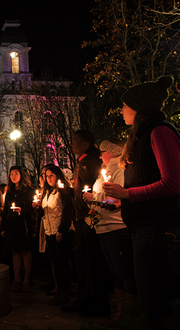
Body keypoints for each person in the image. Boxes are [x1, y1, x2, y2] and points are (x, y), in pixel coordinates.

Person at [103, 76, 180, 326]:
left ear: (138, 108)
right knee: (149, 301)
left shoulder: (160, 132)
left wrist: (128, 194)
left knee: (155, 303)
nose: (122, 110)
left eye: (125, 105)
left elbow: (172, 182)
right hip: (143, 229)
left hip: (156, 231)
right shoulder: (144, 135)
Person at [82, 139, 136, 327]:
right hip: (103, 226)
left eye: (102, 150)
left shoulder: (119, 169)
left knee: (124, 272)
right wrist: (91, 199)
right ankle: (121, 312)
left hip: (116, 227)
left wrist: (95, 198)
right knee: (115, 272)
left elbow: (116, 199)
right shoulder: (104, 171)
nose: (99, 154)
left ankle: (129, 315)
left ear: (112, 152)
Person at [63, 130, 110, 317]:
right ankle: (84, 299)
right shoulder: (83, 160)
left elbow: (96, 187)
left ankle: (95, 302)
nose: (72, 144)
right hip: (81, 215)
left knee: (92, 261)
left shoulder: (92, 162)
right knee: (83, 261)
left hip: (89, 216)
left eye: (75, 141)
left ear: (84, 144)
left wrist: (84, 201)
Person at [36, 165, 74, 305]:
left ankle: (66, 291)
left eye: (51, 175)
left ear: (57, 175)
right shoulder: (46, 192)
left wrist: (61, 230)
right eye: (47, 176)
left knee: (63, 262)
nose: (49, 178)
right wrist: (38, 208)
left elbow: (67, 211)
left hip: (60, 231)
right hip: (49, 231)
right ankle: (60, 291)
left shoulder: (62, 190)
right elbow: (43, 213)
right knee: (56, 263)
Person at [1, 166, 34, 293]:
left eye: (16, 173)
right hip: (11, 224)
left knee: (25, 251)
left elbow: (32, 207)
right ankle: (17, 279)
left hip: (23, 224)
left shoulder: (28, 191)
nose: (13, 176)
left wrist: (22, 210)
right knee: (15, 251)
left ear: (22, 175)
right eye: (11, 174)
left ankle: (26, 279)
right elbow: (5, 210)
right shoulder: (9, 192)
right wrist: (4, 226)